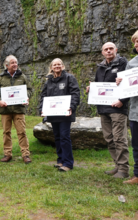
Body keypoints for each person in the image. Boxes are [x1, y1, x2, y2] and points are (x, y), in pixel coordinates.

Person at [86, 42, 130, 178]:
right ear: (102, 52)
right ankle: (117, 166)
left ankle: (124, 169)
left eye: (111, 49)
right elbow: (98, 85)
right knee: (109, 138)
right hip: (103, 108)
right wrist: (90, 90)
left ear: (116, 50)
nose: (109, 51)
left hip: (117, 108)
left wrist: (122, 101)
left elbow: (131, 84)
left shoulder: (123, 64)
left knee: (119, 138)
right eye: (106, 49)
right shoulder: (100, 67)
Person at [39, 58, 80, 172]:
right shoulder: (49, 81)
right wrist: (42, 109)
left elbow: (75, 93)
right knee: (57, 137)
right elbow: (43, 96)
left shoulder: (69, 78)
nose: (57, 66)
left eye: (59, 64)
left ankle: (68, 163)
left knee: (64, 137)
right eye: (54, 65)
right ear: (51, 67)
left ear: (63, 66)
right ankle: (60, 160)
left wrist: (71, 107)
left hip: (65, 114)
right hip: (53, 114)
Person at [0, 55, 32, 164]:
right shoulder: (1, 78)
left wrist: (26, 97)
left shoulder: (22, 76)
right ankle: (7, 154)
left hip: (19, 109)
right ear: (7, 65)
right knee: (6, 132)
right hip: (5, 110)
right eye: (12, 63)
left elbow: (29, 89)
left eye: (16, 62)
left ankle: (25, 154)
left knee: (22, 132)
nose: (15, 64)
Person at [116, 30, 138, 183]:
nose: (136, 44)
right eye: (135, 42)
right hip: (136, 112)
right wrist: (121, 83)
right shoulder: (132, 63)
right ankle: (137, 175)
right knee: (136, 145)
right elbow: (127, 88)